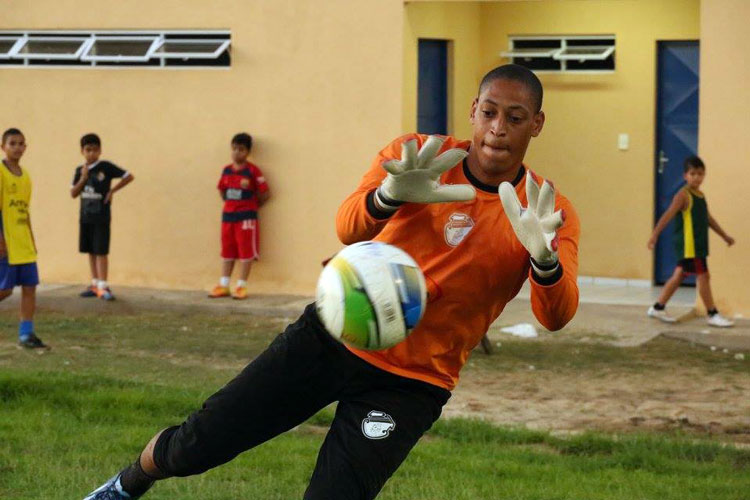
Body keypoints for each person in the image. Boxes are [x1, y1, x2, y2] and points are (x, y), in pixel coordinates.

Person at [83, 64, 580, 500]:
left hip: (412, 383)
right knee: (200, 443)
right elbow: (347, 226)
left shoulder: (548, 212)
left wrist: (544, 259)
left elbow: (554, 317)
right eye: (489, 112)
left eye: (515, 118)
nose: (498, 129)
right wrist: (389, 195)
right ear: (473, 110)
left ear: (536, 124)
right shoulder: (416, 156)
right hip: (333, 334)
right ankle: (127, 484)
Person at [647, 155, 735, 326]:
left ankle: (658, 307)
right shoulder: (683, 195)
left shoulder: (700, 195)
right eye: (693, 173)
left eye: (700, 174)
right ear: (685, 176)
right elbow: (667, 215)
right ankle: (712, 314)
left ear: (704, 175)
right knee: (704, 276)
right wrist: (655, 234)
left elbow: (708, 219)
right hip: (690, 246)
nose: (696, 177)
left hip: (698, 245)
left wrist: (724, 236)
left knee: (679, 275)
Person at [70, 133, 134, 301]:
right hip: (85, 217)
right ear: (82, 151)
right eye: (88, 150)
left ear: (100, 151)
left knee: (101, 251)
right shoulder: (80, 170)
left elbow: (128, 176)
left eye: (95, 150)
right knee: (90, 250)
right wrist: (83, 178)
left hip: (101, 217)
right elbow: (73, 193)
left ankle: (103, 285)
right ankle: (94, 283)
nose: (91, 153)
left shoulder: (105, 167)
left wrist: (112, 190)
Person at [208, 132, 270, 300]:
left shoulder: (252, 171)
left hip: (246, 218)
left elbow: (265, 193)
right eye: (234, 149)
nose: (237, 153)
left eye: (241, 149)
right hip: (228, 216)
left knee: (245, 251)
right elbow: (222, 190)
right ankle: (224, 285)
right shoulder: (227, 170)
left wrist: (251, 207)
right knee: (227, 250)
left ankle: (241, 286)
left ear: (247, 152)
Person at [0, 128, 46, 349]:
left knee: (29, 286)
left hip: (23, 243)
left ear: (25, 148)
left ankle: (26, 335)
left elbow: (25, 211)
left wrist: (31, 238)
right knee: (5, 290)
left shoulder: (26, 176)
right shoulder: (1, 172)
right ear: (3, 147)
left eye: (21, 144)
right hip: (6, 242)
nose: (17, 147)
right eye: (12, 143)